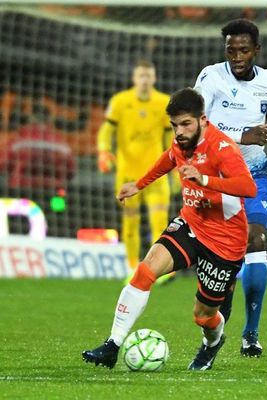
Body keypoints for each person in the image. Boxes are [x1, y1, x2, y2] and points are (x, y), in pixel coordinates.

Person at [82, 88, 257, 371]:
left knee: (203, 316)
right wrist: (138, 185)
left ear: (202, 120)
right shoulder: (181, 143)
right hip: (191, 223)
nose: (179, 131)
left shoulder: (222, 148)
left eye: (186, 124)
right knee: (145, 270)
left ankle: (212, 343)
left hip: (225, 241)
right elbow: (168, 158)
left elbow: (247, 187)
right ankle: (112, 345)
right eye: (175, 125)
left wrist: (205, 179)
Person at [194, 19, 267, 357]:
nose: (236, 56)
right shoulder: (211, 78)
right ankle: (216, 326)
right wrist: (242, 137)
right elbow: (199, 126)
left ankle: (250, 334)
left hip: (255, 175)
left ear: (256, 51)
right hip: (218, 178)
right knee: (226, 254)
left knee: (255, 237)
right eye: (231, 50)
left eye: (243, 50)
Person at [97, 61, 174, 282]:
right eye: (141, 75)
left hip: (156, 175)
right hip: (128, 175)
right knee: (130, 222)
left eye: (148, 76)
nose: (145, 80)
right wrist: (103, 151)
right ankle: (132, 268)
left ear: (154, 78)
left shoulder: (163, 102)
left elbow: (170, 137)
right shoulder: (120, 101)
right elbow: (106, 130)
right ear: (134, 78)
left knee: (159, 221)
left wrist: (176, 169)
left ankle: (157, 271)